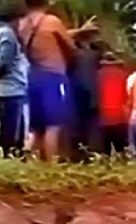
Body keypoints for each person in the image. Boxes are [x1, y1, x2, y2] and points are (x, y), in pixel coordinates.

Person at [18, 0, 97, 161]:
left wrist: (78, 31)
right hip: (54, 77)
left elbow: (45, 33)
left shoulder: (23, 24)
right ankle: (51, 167)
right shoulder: (52, 21)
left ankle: (30, 166)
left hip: (33, 77)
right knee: (53, 126)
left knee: (36, 128)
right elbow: (71, 48)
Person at [0, 2, 29, 157]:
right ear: (16, 18)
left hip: (7, 91)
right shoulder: (8, 34)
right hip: (10, 92)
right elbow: (3, 62)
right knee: (12, 138)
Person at [69, 31, 101, 159]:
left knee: (78, 127)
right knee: (92, 127)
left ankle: (79, 153)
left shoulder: (73, 56)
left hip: (76, 93)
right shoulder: (93, 56)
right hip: (91, 93)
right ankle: (91, 153)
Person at [98, 51, 129, 155]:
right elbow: (126, 96)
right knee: (121, 149)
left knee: (105, 150)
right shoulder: (123, 74)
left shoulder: (98, 74)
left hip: (103, 116)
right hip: (120, 116)